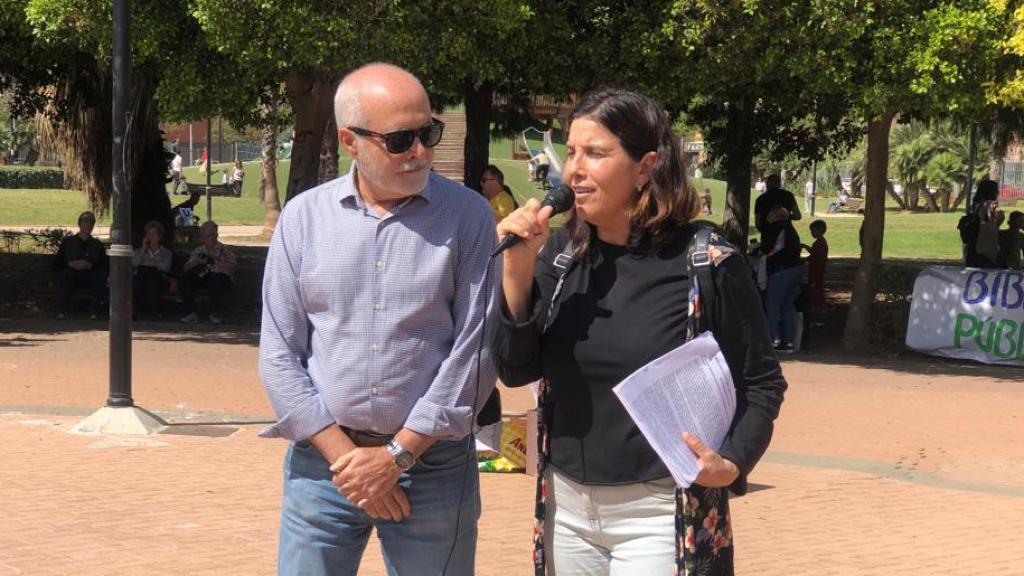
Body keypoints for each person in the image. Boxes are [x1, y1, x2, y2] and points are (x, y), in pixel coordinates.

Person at [493, 88, 786, 575]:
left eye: (596, 154)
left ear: (645, 167)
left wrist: (732, 462)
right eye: (571, 153)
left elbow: (762, 382)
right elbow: (515, 368)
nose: (574, 171)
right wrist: (517, 273)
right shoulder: (560, 255)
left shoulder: (707, 261)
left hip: (658, 512)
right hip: (566, 508)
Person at [259, 63, 499, 576]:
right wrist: (349, 461)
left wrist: (397, 457)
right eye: (400, 140)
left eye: (427, 132)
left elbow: (474, 354)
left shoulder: (469, 217)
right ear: (350, 140)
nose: (420, 151)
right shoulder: (302, 219)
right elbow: (279, 353)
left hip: (432, 468)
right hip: (325, 469)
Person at [762, 205, 804, 352]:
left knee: (773, 305)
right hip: (796, 268)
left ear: (774, 217)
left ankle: (773, 339)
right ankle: (789, 341)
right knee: (787, 305)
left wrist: (764, 256)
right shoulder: (791, 229)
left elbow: (773, 248)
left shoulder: (775, 228)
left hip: (782, 270)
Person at [52, 211, 108, 319]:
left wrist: (90, 265)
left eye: (91, 222)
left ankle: (94, 311)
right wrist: (70, 264)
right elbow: (56, 263)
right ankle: (62, 311)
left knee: (101, 275)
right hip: (72, 275)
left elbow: (104, 264)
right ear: (79, 224)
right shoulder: (68, 242)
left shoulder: (97, 245)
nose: (88, 225)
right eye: (85, 222)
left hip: (90, 276)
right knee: (64, 275)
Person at [179, 221, 237, 324]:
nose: (206, 239)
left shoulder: (225, 249)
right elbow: (186, 268)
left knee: (215, 279)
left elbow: (233, 266)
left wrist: (215, 261)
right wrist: (196, 261)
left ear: (216, 235)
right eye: (203, 236)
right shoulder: (199, 250)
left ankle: (215, 313)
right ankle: (190, 313)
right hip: (203, 276)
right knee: (186, 279)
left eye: (208, 236)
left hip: (221, 278)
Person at [132, 220, 172, 319]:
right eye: (149, 234)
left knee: (153, 279)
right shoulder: (138, 251)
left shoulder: (166, 253)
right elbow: (135, 263)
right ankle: (138, 310)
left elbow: (166, 267)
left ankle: (154, 311)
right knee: (139, 280)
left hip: (159, 278)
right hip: (141, 277)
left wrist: (146, 263)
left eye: (154, 234)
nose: (151, 237)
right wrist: (143, 250)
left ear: (160, 236)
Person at [959, 179, 1001, 268]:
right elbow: (998, 219)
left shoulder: (975, 205)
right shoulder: (991, 204)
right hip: (985, 245)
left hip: (972, 244)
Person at [801, 220, 829, 310]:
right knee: (817, 287)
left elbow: (815, 254)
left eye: (813, 231)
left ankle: (819, 305)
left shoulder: (820, 243)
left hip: (817, 269)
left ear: (820, 230)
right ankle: (818, 304)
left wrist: (805, 247)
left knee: (816, 287)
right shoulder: (819, 242)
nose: (812, 233)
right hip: (816, 268)